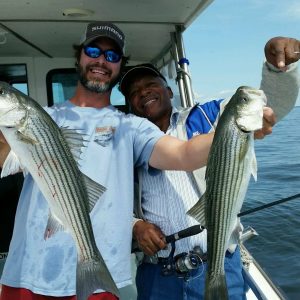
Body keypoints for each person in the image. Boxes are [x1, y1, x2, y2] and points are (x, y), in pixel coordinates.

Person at [0, 22, 215, 300]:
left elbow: (184, 155)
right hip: (28, 273)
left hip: (99, 282)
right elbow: (5, 160)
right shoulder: (44, 117)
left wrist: (235, 130)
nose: (101, 60)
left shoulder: (131, 126)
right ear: (79, 56)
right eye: (93, 51)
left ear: (119, 66)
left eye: (112, 56)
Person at [118, 37, 300, 300]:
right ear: (129, 104)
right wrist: (135, 225)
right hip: (158, 275)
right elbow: (111, 204)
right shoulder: (125, 144)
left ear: (169, 91)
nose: (143, 92)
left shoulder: (207, 115)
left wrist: (278, 69)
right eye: (133, 92)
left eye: (150, 84)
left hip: (218, 263)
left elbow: (268, 109)